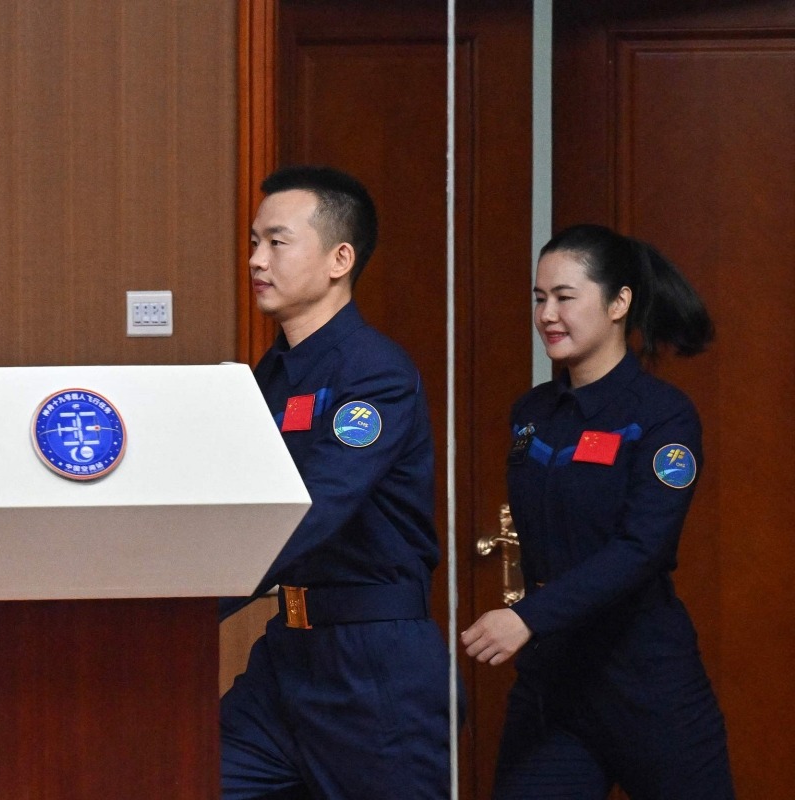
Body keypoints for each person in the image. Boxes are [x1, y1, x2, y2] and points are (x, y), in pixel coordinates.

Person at [462, 224, 733, 799]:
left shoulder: (663, 416)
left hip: (646, 682)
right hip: (554, 687)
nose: (547, 315)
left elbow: (642, 549)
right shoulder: (532, 411)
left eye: (565, 297)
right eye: (539, 298)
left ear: (618, 302)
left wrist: (528, 616)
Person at [220, 166, 451, 799]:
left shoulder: (374, 373)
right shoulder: (273, 373)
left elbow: (314, 507)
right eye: (252, 242)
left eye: (276, 242)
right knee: (187, 774)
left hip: (371, 665)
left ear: (339, 259)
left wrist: (201, 600)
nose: (256, 260)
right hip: (288, 657)